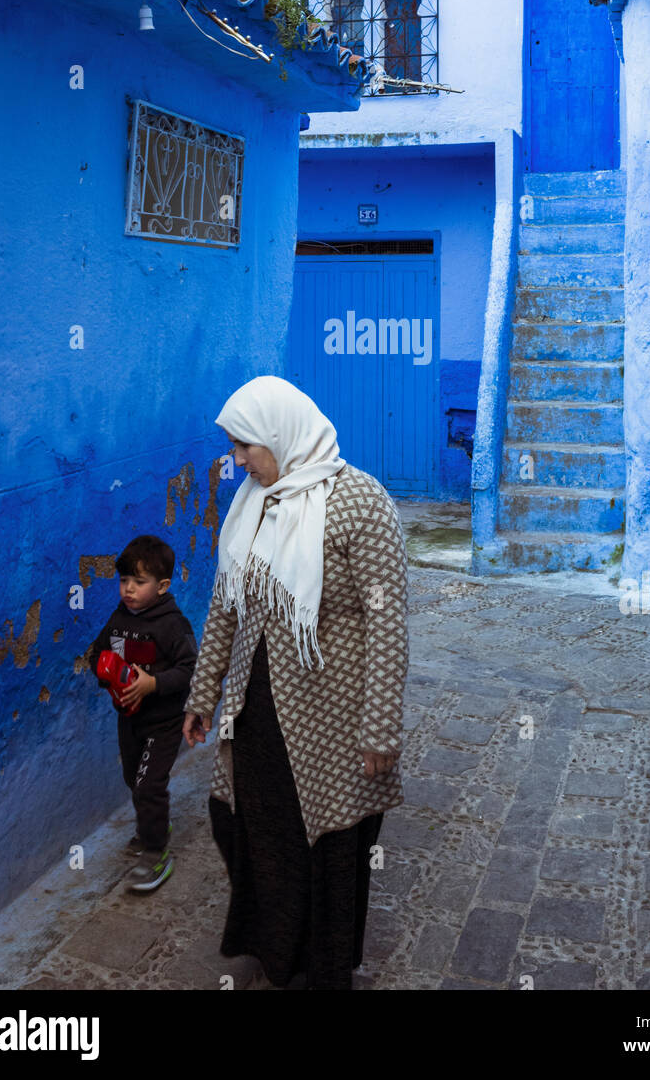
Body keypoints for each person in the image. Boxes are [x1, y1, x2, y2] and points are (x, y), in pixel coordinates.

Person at [183, 375, 409, 991]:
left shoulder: (360, 503)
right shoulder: (254, 504)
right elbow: (225, 605)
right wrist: (205, 694)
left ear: (279, 436)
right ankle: (275, 947)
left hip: (333, 722)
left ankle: (324, 966)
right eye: (234, 448)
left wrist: (380, 727)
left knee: (330, 846)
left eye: (244, 447)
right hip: (257, 712)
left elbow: (387, 623)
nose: (237, 461)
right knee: (248, 827)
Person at [90, 534, 198, 892]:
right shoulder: (119, 618)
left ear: (163, 586)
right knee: (133, 780)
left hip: (164, 722)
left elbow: (189, 668)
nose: (129, 589)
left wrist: (152, 684)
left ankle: (156, 853)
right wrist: (106, 673)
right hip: (130, 719)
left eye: (139, 582)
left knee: (150, 785)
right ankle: (156, 823)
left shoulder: (171, 624)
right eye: (124, 581)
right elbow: (98, 652)